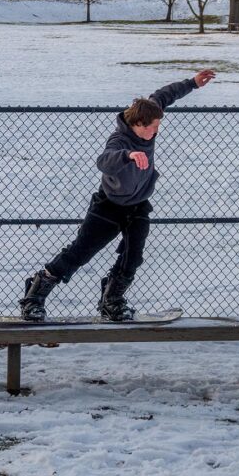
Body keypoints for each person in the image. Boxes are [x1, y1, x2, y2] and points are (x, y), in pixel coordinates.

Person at [19, 69, 217, 322]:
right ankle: (34, 297)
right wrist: (128, 156)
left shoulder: (149, 111)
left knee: (133, 256)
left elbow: (165, 95)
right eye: (152, 128)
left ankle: (112, 300)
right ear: (137, 125)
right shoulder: (119, 139)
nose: (156, 132)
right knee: (80, 252)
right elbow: (104, 161)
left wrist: (193, 83)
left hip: (138, 206)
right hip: (108, 207)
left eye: (158, 126)